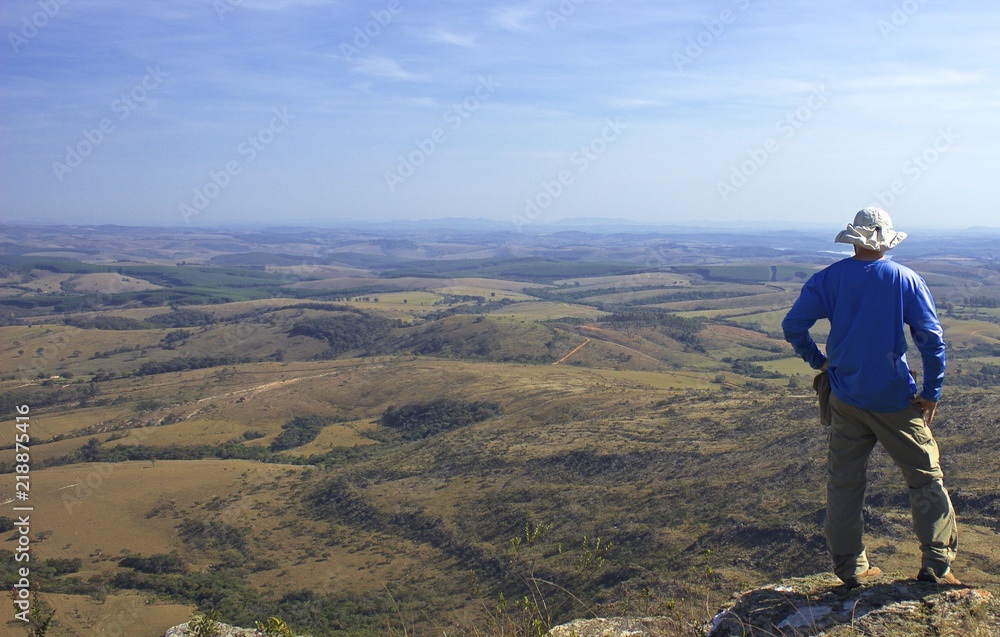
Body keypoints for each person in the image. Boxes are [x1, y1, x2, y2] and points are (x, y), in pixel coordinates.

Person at [782, 207, 960, 588]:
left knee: (845, 482)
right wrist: (931, 393)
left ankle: (851, 568)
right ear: (885, 240)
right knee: (924, 476)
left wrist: (821, 362)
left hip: (845, 397)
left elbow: (793, 325)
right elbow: (931, 340)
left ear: (854, 239)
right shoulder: (905, 279)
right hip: (895, 398)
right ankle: (936, 564)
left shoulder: (827, 280)